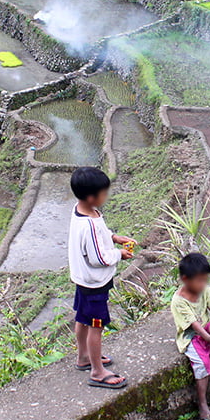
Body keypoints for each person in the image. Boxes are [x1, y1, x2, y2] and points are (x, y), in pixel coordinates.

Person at [68, 166, 135, 389]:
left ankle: (83, 357)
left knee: (82, 318)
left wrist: (114, 237)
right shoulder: (89, 224)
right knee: (96, 326)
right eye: (103, 193)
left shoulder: (83, 211)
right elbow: (98, 257)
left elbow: (100, 235)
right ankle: (97, 371)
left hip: (83, 280)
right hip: (95, 283)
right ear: (91, 196)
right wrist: (120, 254)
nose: (106, 197)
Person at [171, 252, 210, 420]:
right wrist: (209, 338)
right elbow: (195, 326)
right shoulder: (179, 301)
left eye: (205, 279)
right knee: (202, 365)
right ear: (185, 279)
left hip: (205, 327)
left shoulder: (204, 289)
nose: (203, 284)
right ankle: (202, 403)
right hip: (191, 335)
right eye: (199, 280)